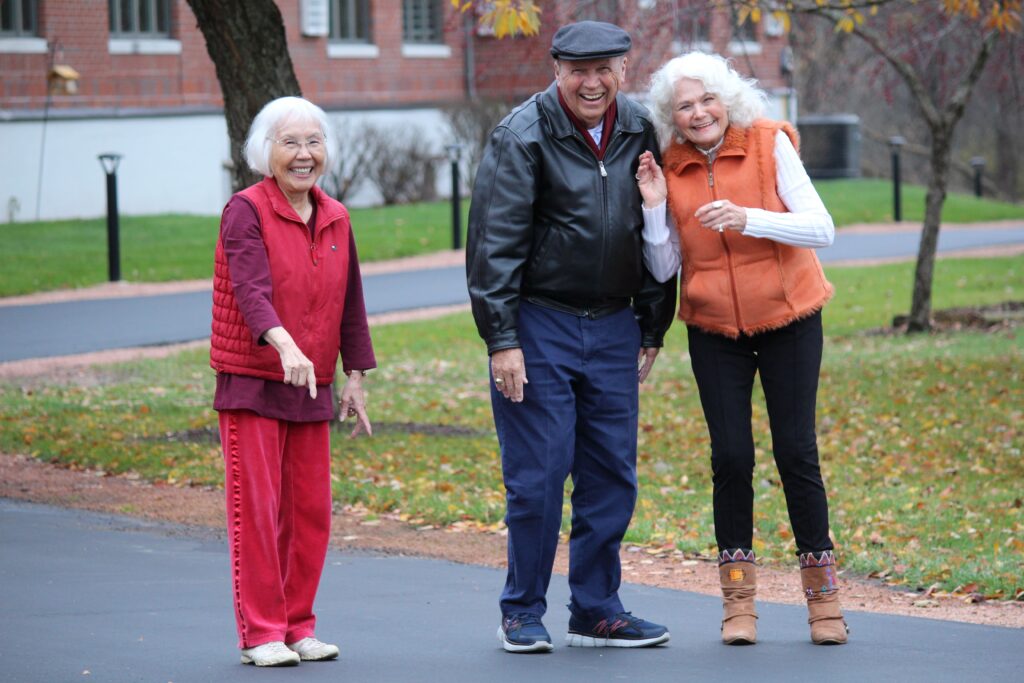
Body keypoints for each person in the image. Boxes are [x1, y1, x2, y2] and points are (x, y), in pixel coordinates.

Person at [466, 21, 677, 654]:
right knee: (538, 475)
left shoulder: (640, 128)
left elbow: (658, 227)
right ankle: (522, 610)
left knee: (611, 472)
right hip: (540, 323)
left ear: (621, 70)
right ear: (556, 70)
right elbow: (492, 247)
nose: (592, 83)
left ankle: (596, 608)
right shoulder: (523, 135)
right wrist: (502, 340)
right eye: (577, 71)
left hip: (614, 324)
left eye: (604, 69)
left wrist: (651, 323)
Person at [636, 51, 847, 646]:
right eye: (685, 105)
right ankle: (738, 604)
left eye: (707, 99)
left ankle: (824, 602)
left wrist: (750, 218)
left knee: (795, 453)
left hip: (789, 318)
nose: (699, 112)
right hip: (713, 329)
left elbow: (821, 228)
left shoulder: (766, 142)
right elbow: (662, 267)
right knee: (730, 458)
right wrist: (655, 208)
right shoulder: (669, 168)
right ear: (671, 117)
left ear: (727, 99)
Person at [210, 96, 376, 666]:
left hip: (311, 385)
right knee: (257, 511)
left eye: (313, 143)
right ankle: (261, 632)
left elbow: (350, 303)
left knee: (309, 514)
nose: (303, 155)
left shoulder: (335, 216)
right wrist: (284, 346)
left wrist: (353, 377)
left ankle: (297, 625)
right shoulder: (246, 210)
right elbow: (249, 290)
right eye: (290, 143)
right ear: (266, 152)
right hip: (254, 380)